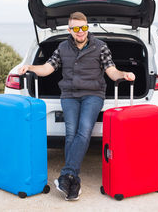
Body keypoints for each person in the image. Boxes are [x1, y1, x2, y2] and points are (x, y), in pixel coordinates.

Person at [18, 11, 135, 201]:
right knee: (71, 133)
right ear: (70, 30)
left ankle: (67, 174)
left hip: (93, 94)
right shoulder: (62, 47)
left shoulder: (101, 47)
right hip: (70, 95)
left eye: (83, 28)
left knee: (84, 130)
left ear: (87, 27)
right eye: (76, 29)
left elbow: (111, 71)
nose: (80, 32)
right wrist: (30, 68)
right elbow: (48, 68)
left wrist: (124, 74)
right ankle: (73, 181)